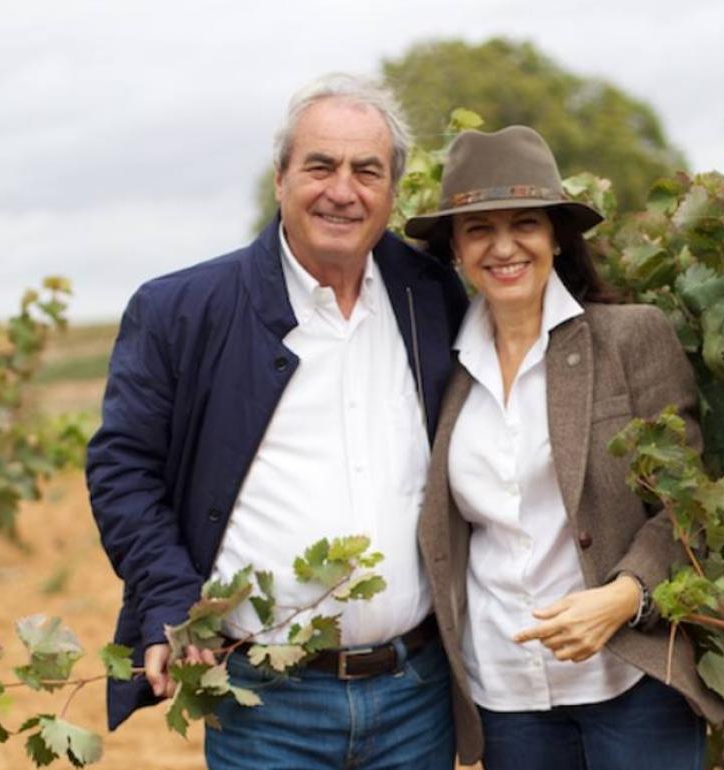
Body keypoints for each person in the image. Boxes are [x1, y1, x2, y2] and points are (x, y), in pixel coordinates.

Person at [86, 73, 468, 770]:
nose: (342, 190)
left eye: (366, 171)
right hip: (265, 705)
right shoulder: (182, 310)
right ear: (280, 178)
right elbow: (123, 469)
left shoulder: (432, 297)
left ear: (391, 191)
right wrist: (171, 596)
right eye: (320, 165)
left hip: (417, 695)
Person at [405, 126, 724, 770]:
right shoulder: (441, 368)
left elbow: (692, 505)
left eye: (524, 222)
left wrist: (626, 595)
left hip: (633, 683)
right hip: (505, 693)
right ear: (455, 251)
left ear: (557, 235)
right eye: (478, 230)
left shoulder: (631, 338)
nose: (504, 247)